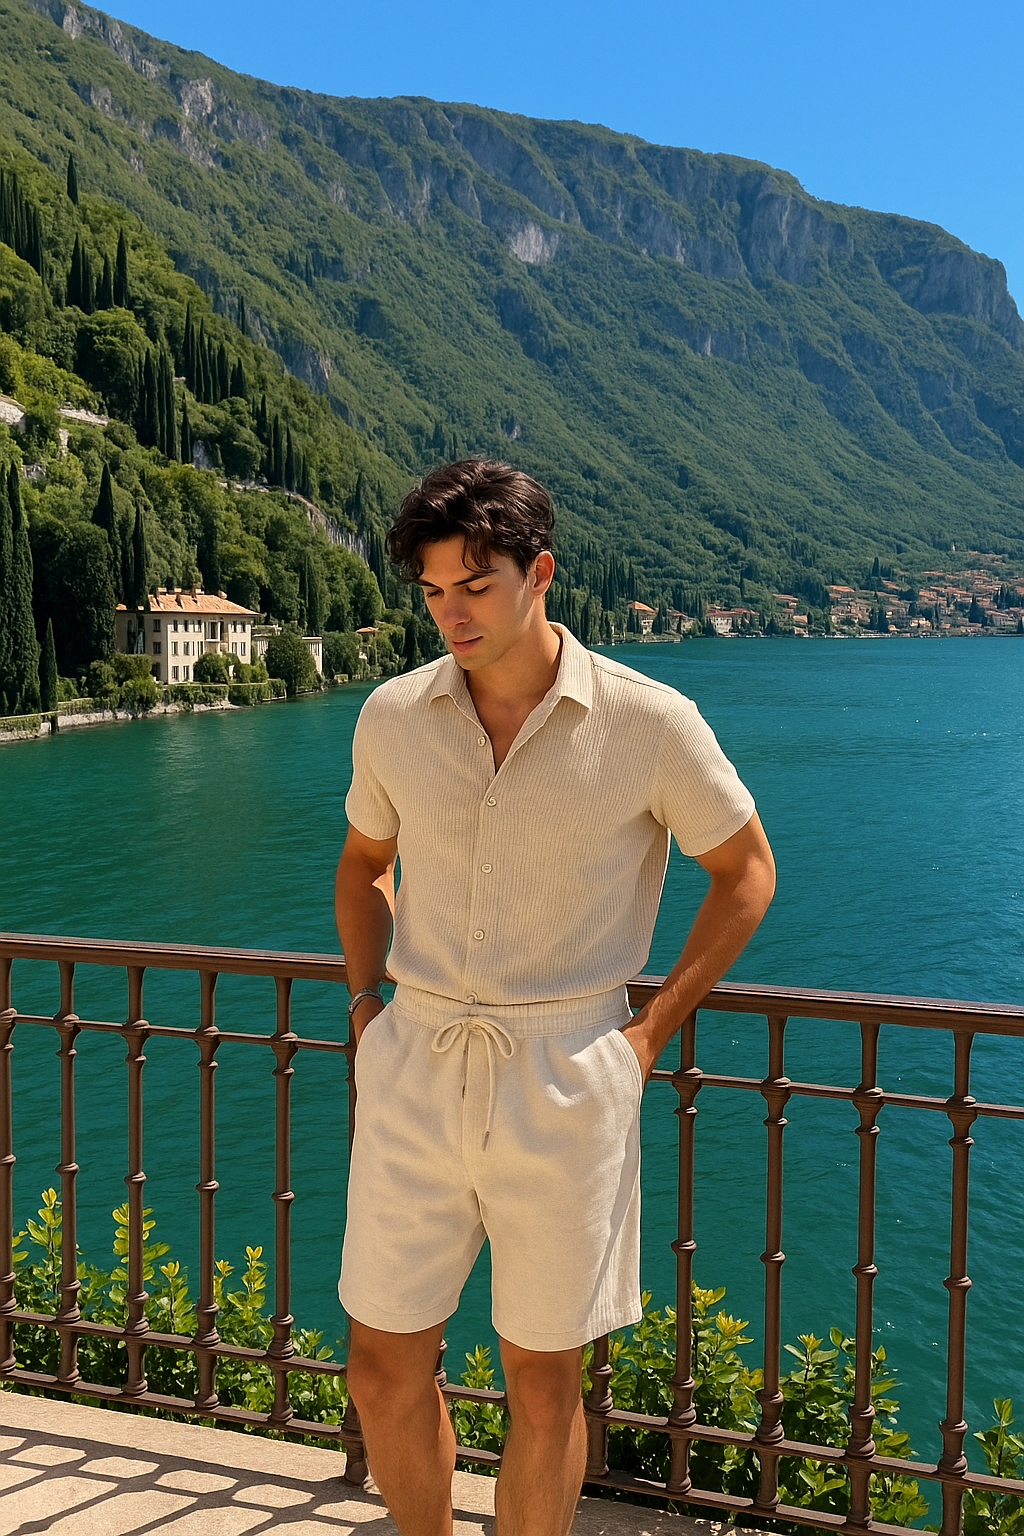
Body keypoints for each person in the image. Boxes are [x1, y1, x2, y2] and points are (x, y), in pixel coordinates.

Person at [335, 459, 775, 1536]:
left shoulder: (646, 722)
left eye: (474, 585)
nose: (451, 613)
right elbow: (360, 865)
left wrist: (644, 1037)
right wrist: (365, 1010)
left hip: (569, 1070)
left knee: (541, 1382)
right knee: (382, 1370)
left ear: (540, 574)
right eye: (434, 591)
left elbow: (747, 871)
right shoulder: (394, 716)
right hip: (418, 1059)